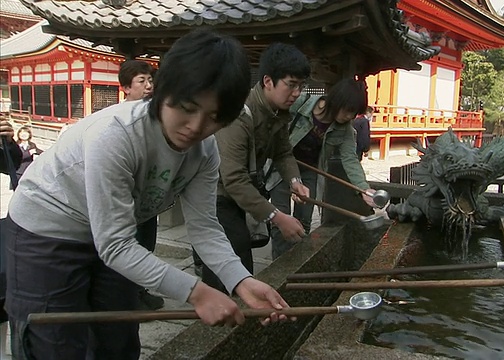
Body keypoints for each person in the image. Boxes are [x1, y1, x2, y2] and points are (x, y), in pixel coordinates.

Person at [4, 29, 292, 360]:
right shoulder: (116, 136)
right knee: (53, 344)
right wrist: (196, 292)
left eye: (214, 117)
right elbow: (115, 245)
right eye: (186, 107)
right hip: (47, 232)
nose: (195, 127)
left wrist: (240, 280)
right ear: (162, 90)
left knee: (119, 338)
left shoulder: (205, 151)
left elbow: (204, 227)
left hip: (114, 236)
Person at [199, 42, 311, 291]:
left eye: (300, 86)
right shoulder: (238, 114)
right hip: (215, 194)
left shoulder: (277, 111)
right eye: (291, 84)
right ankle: (219, 317)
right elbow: (233, 179)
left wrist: (295, 181)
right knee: (235, 264)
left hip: (238, 193)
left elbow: (283, 152)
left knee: (237, 259)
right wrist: (277, 216)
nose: (296, 93)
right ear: (268, 81)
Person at [268, 78, 379, 260]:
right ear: (337, 101)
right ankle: (278, 266)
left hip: (310, 169)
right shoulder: (301, 103)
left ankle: (295, 263)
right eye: (349, 111)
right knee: (280, 220)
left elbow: (350, 158)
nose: (350, 117)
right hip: (281, 167)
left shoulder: (344, 129)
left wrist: (362, 188)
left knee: (303, 220)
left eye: (354, 114)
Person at [118, 58, 165, 310]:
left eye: (150, 80)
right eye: (141, 81)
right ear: (126, 87)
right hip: (125, 195)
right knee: (126, 244)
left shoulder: (156, 116)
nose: (148, 86)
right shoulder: (118, 119)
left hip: (149, 192)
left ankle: (140, 288)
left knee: (146, 244)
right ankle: (125, 292)